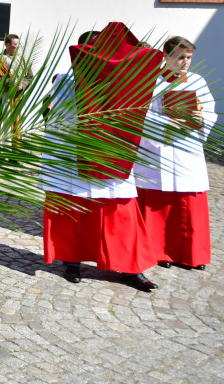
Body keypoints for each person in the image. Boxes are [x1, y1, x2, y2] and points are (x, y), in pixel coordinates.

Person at [41, 26, 160, 292]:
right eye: (94, 50)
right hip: (73, 161)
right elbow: (56, 121)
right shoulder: (65, 81)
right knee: (74, 214)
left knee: (122, 216)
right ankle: (71, 261)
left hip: (113, 159)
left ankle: (131, 268)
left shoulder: (124, 82)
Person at [134, 36, 216, 270]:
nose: (185, 62)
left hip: (187, 149)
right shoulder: (151, 82)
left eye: (189, 57)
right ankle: (160, 252)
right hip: (159, 149)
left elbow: (210, 110)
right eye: (180, 57)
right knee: (159, 202)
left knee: (188, 201)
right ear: (166, 56)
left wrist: (203, 118)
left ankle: (191, 254)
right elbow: (141, 114)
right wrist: (166, 124)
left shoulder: (198, 81)